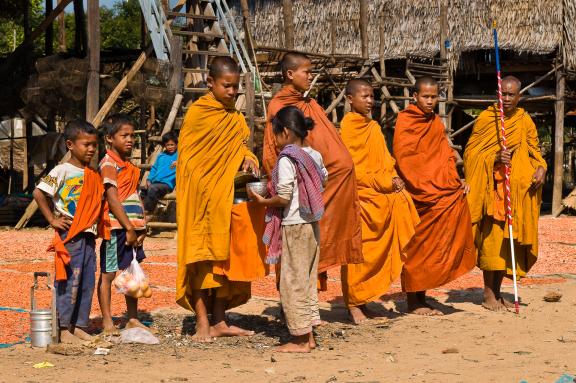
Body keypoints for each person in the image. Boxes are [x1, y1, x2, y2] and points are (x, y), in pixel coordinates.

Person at [176, 56, 266, 343]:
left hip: (227, 200)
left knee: (225, 262)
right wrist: (211, 185)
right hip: (202, 201)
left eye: (236, 86)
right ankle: (202, 322)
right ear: (210, 83)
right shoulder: (198, 114)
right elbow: (190, 162)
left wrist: (249, 160)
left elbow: (241, 148)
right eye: (226, 86)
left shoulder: (236, 119)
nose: (232, 91)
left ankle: (220, 321)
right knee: (202, 259)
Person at [262, 52, 363, 289]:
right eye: (306, 72)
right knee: (296, 253)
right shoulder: (280, 106)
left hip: (323, 188)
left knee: (313, 246)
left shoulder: (311, 105)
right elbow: (272, 151)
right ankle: (291, 310)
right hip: (298, 193)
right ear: (290, 74)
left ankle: (305, 310)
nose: (311, 76)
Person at [394, 76, 476, 315]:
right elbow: (406, 158)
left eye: (434, 97)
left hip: (439, 191)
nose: (430, 101)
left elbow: (445, 157)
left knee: (434, 246)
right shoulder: (406, 121)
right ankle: (412, 301)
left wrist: (454, 181)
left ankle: (422, 297)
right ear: (415, 97)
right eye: (426, 97)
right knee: (417, 247)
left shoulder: (436, 123)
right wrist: (428, 186)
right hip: (419, 194)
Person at [464, 76, 547, 311]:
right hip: (492, 191)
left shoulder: (524, 120)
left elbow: (535, 152)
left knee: (505, 244)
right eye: (504, 94)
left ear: (519, 96)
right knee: (491, 243)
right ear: (497, 94)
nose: (507, 99)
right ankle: (488, 295)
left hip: (516, 195)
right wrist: (494, 158)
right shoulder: (486, 119)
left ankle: (498, 292)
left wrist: (542, 168)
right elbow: (472, 155)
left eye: (511, 95)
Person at [340, 79, 420, 324]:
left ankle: (366, 300)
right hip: (360, 198)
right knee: (359, 252)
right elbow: (351, 169)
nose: (369, 101)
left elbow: (385, 160)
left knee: (378, 250)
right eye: (364, 96)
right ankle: (354, 303)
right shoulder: (348, 129)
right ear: (350, 99)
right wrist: (383, 183)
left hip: (380, 198)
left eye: (372, 96)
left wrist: (394, 178)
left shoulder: (373, 128)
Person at [249, 106, 327, 353]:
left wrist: (263, 202)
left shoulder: (287, 158)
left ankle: (300, 340)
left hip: (294, 224)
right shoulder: (313, 154)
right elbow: (324, 179)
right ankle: (309, 335)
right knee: (305, 279)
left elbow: (283, 197)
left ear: (283, 132)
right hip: (312, 224)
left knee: (291, 282)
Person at [33, 120, 103, 343]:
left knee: (86, 282)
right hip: (70, 234)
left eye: (94, 145)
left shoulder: (93, 173)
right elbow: (38, 193)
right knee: (69, 281)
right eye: (86, 144)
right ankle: (63, 329)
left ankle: (80, 325)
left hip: (88, 236)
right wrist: (52, 219)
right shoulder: (61, 170)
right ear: (70, 145)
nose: (91, 149)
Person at [98, 114, 149, 334]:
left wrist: (142, 224)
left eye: (131, 135)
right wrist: (128, 227)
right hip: (116, 228)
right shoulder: (108, 164)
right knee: (109, 274)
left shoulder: (128, 165)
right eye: (124, 135)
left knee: (131, 272)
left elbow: (135, 196)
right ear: (109, 138)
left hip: (133, 228)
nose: (130, 140)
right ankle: (107, 320)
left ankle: (132, 317)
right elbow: (112, 198)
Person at [141, 131, 178, 215]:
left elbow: (186, 163)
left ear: (176, 144)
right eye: (167, 145)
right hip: (155, 183)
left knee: (153, 189)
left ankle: (148, 212)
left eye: (172, 145)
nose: (170, 147)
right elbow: (154, 168)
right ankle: (140, 210)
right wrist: (149, 179)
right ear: (164, 145)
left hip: (167, 184)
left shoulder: (179, 155)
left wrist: (179, 163)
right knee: (141, 190)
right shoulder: (161, 155)